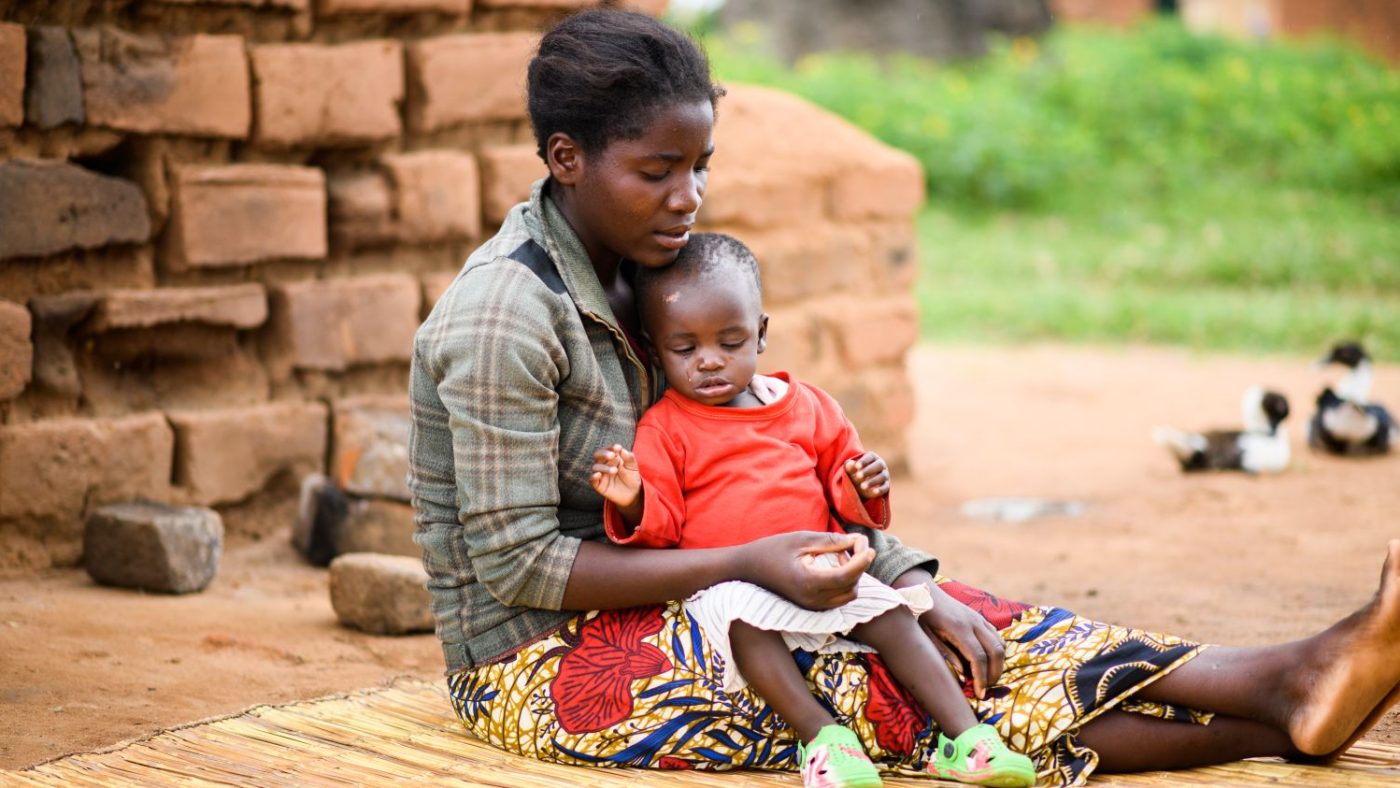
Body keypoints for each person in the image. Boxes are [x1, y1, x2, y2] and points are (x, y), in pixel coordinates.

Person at [407, 8, 1400, 788]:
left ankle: (1281, 684)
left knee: (953, 622)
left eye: (699, 168)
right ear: (565, 159)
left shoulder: (654, 274)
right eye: (655, 171)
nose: (687, 198)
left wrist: (897, 572)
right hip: (541, 660)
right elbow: (518, 564)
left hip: (702, 583)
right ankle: (1271, 710)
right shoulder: (504, 316)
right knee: (878, 683)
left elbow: (762, 469)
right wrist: (756, 561)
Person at [587, 232, 1036, 788]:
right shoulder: (666, 427)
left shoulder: (809, 407)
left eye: (730, 342)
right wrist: (634, 501)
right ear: (656, 350)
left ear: (762, 333)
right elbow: (664, 529)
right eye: (685, 349)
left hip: (824, 568)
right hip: (734, 579)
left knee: (894, 611)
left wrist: (866, 481)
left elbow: (847, 495)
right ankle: (825, 739)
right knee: (744, 624)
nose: (708, 361)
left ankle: (967, 739)